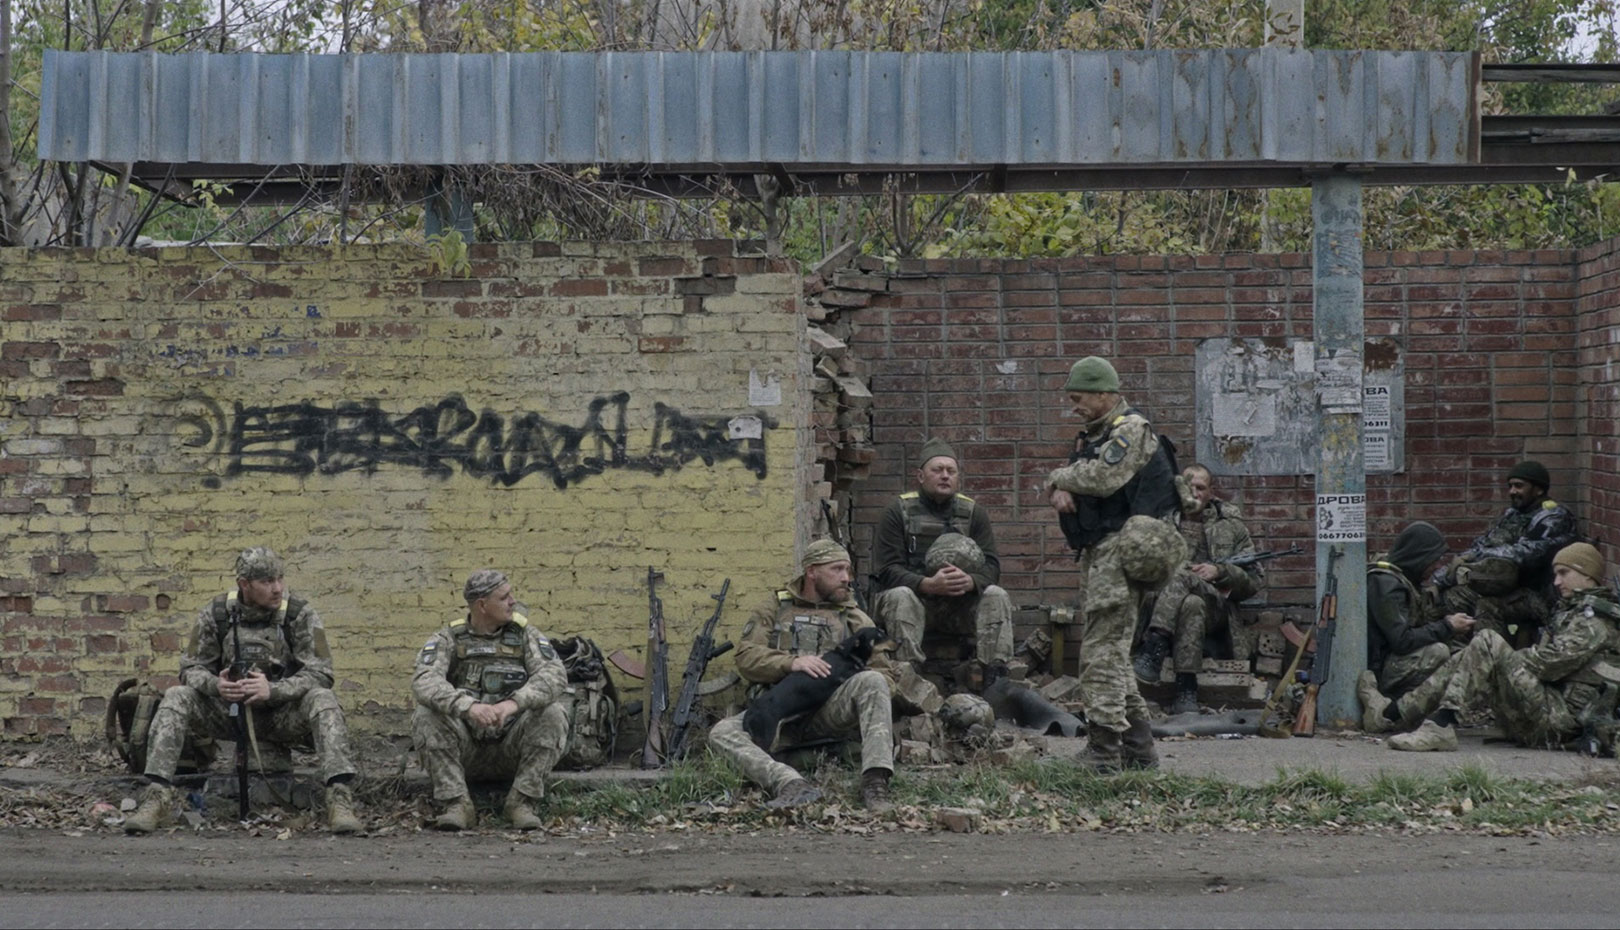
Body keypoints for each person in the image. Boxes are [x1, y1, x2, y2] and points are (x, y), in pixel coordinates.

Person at [123, 547, 361, 835]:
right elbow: (190, 668)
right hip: (230, 714)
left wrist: (274, 690)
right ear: (244, 584)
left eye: (280, 579)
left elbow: (322, 673)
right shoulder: (217, 613)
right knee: (176, 696)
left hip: (283, 716)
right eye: (267, 581)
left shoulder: (299, 614)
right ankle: (156, 797)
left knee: (323, 699)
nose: (277, 588)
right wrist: (216, 685)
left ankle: (339, 799)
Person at [1046, 356, 1187, 772]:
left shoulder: (1130, 429)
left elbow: (1102, 479)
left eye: (1079, 398)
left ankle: (1103, 751)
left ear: (1104, 394)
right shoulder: (1100, 435)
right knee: (1115, 655)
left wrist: (1057, 478)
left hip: (1119, 551)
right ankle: (1139, 750)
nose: (1074, 407)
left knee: (1100, 653)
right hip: (1103, 550)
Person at [1364, 543, 1620, 752]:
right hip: (1548, 713)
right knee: (1475, 651)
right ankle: (1391, 714)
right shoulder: (1575, 611)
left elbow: (1548, 665)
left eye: (1564, 573)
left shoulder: (1594, 621)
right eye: (1556, 574)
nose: (1556, 582)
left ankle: (1438, 725)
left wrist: (1504, 659)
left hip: (1560, 724)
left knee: (1488, 642)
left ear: (1588, 575)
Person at [707, 539, 897, 811]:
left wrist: (845, 680)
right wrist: (791, 663)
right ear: (811, 571)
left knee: (873, 680)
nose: (846, 578)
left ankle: (876, 783)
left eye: (848, 570)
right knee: (721, 733)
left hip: (828, 713)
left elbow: (885, 676)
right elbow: (746, 658)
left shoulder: (855, 618)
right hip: (775, 714)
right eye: (837, 569)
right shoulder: (774, 608)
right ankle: (789, 783)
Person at [411, 570, 570, 831]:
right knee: (425, 715)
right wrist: (468, 707)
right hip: (466, 750)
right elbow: (424, 681)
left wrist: (514, 703)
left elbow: (555, 675)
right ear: (482, 605)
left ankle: (521, 804)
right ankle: (457, 805)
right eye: (504, 597)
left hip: (513, 748)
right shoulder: (448, 639)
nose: (513, 602)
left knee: (552, 712)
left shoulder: (524, 635)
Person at [871, 437, 1014, 681]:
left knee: (996, 595)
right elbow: (886, 570)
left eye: (951, 471)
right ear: (920, 476)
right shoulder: (897, 512)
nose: (945, 476)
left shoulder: (973, 513)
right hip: (916, 606)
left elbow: (991, 566)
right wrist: (926, 584)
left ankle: (995, 676)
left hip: (960, 607)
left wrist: (971, 581)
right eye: (937, 470)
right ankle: (908, 677)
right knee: (899, 596)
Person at [1132, 463, 1263, 714]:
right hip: (1164, 603)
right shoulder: (1160, 523)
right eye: (1188, 487)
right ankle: (1186, 689)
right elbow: (1140, 569)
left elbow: (1254, 581)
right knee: (1191, 603)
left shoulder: (1230, 526)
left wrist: (1220, 572)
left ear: (1211, 492)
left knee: (1184, 578)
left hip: (1216, 607)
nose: (1194, 493)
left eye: (1201, 488)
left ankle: (1154, 646)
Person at [1431, 460, 1578, 644]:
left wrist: (1478, 556)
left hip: (1540, 594)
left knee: (1488, 605)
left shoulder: (1554, 517)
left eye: (1519, 486)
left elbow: (1528, 553)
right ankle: (1462, 650)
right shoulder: (1514, 515)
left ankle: (1492, 655)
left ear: (1539, 489)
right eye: (1510, 486)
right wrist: (1439, 580)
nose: (1512, 491)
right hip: (1508, 587)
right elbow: (1482, 545)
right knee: (1455, 596)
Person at [1356, 521, 1475, 727]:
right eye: (1433, 561)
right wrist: (1447, 626)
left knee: (1460, 651)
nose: (1437, 567)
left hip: (1391, 661)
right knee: (1438, 652)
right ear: (1419, 557)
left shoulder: (1404, 578)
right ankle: (1392, 709)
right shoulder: (1386, 584)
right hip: (1380, 669)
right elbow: (1401, 640)